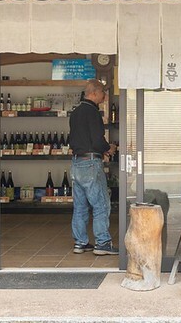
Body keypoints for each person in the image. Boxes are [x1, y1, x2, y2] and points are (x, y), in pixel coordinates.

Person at [69, 79, 118, 255]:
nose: (104, 96)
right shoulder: (92, 112)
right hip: (90, 163)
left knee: (80, 206)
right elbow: (97, 140)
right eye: (103, 93)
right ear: (95, 93)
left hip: (76, 162)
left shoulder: (75, 112)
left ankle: (80, 242)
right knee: (101, 204)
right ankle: (102, 243)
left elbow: (74, 139)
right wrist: (109, 148)